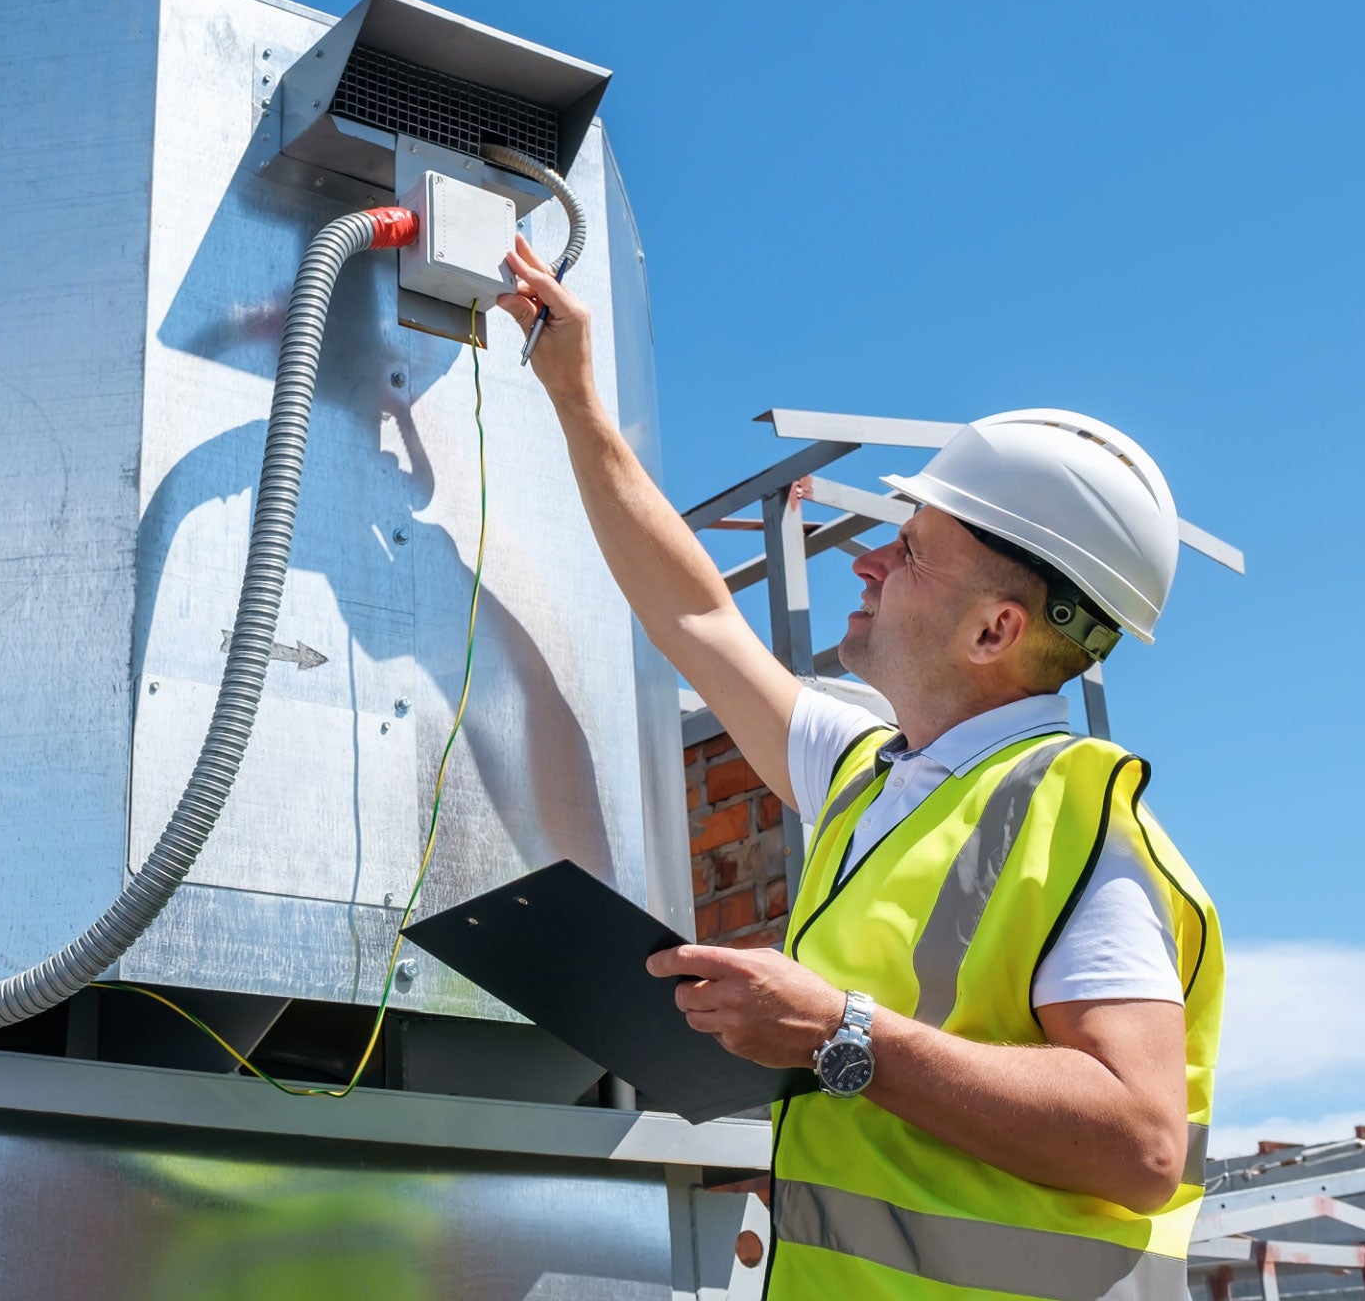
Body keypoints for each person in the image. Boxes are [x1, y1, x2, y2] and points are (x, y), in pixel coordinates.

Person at [496, 236, 1222, 1300]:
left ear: (995, 630)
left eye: (912, 548)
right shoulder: (869, 779)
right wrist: (575, 401)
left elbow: (1144, 1141)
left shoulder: (1079, 821)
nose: (867, 559)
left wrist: (840, 1032)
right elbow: (695, 612)